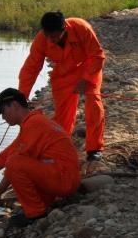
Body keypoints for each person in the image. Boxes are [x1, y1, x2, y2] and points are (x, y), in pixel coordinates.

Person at [0, 88, 81, 227]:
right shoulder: (31, 123)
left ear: (16, 106)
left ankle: (36, 214)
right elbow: (6, 154)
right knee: (15, 160)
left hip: (64, 180)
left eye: (3, 112)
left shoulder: (34, 124)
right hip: (61, 176)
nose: (3, 117)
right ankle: (42, 204)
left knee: (15, 163)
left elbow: (14, 165)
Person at [18, 11, 106, 165]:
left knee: (93, 105)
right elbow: (31, 68)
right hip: (63, 74)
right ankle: (61, 146)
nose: (52, 39)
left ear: (64, 27)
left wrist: (86, 79)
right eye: (49, 36)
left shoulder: (81, 27)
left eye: (55, 36)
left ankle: (94, 149)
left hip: (88, 68)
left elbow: (97, 56)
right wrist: (22, 95)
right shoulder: (41, 39)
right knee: (63, 115)